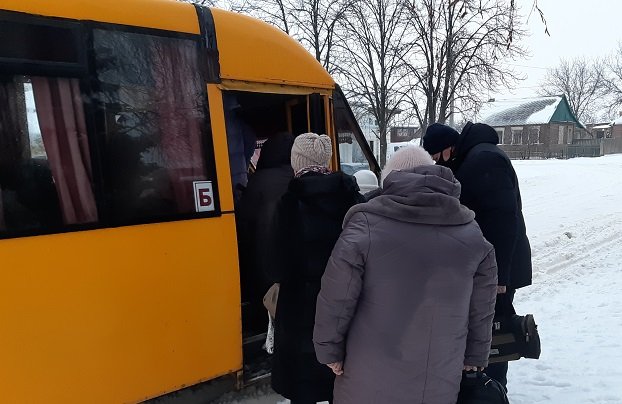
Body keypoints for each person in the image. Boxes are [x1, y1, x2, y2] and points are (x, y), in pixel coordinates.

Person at [313, 145, 498, 404]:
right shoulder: (471, 233)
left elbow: (336, 297)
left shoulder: (365, 227)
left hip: (368, 374)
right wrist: (475, 355)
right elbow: (482, 308)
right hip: (439, 375)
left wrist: (329, 350)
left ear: (390, 180)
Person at [422, 122, 533, 388]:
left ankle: (492, 390)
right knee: (485, 328)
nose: (438, 163)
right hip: (488, 264)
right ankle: (484, 386)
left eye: (437, 157)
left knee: (492, 331)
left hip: (496, 268)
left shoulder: (484, 159)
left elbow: (503, 219)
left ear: (448, 148)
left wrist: (499, 277)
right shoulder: (475, 156)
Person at [271, 133, 363, 404]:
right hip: (345, 305)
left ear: (297, 162)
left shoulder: (288, 204)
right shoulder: (352, 198)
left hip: (300, 310)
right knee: (340, 382)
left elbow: (276, 265)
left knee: (303, 386)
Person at [236, 132, 295, 334]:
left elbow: (244, 223)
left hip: (262, 260)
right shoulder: (299, 178)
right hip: (294, 261)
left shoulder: (257, 181)